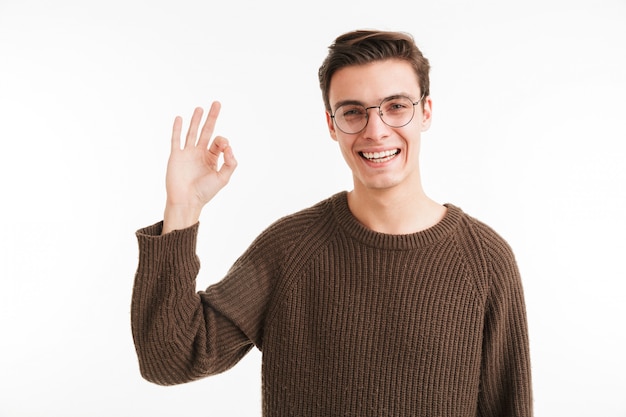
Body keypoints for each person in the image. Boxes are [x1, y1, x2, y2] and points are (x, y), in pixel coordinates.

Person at [131, 29, 533, 416]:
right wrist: (183, 208)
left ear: (425, 112)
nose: (376, 131)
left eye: (396, 106)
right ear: (331, 125)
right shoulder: (290, 249)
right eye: (353, 112)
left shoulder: (484, 260)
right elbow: (169, 359)